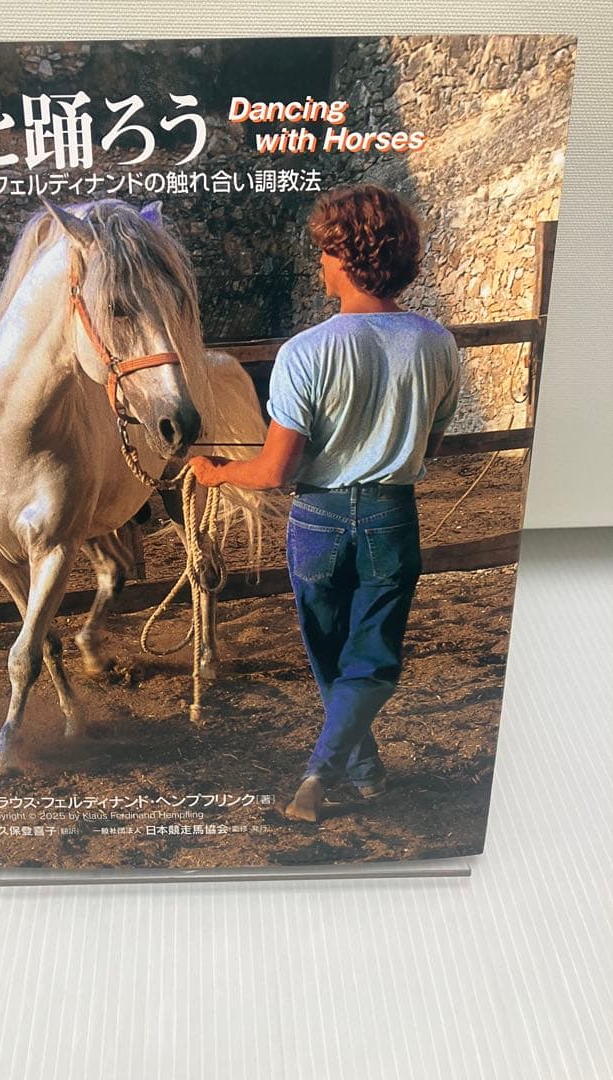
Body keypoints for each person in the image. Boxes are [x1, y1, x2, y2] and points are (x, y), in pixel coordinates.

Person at [190, 184, 460, 823]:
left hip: (318, 520)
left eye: (324, 252)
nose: (319, 264)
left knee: (330, 654)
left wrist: (216, 473)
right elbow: (431, 443)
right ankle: (362, 769)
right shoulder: (436, 343)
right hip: (392, 514)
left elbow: (275, 471)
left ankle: (319, 773)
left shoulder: (305, 352)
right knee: (372, 655)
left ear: (345, 257)